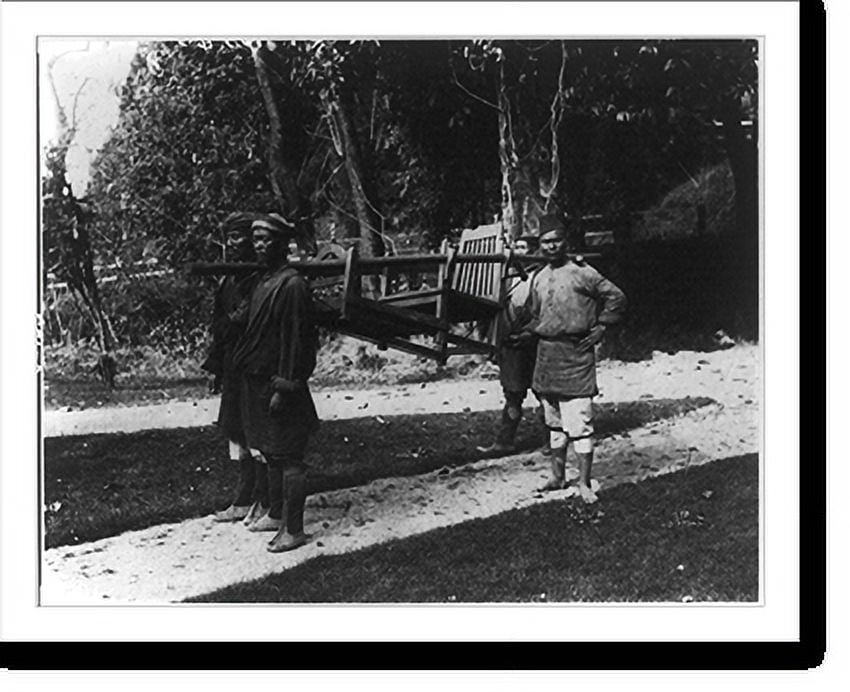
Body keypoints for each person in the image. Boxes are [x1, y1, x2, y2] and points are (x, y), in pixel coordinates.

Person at [514, 215, 626, 504]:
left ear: (565, 242)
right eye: (545, 242)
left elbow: (616, 297)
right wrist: (523, 333)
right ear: (540, 245)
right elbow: (536, 315)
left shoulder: (583, 272)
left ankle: (585, 483)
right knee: (553, 423)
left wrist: (602, 326)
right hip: (546, 356)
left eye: (556, 241)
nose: (551, 247)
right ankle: (557, 476)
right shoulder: (538, 277)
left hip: (575, 355)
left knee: (580, 424)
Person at [231, 213, 320, 552]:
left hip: (281, 385)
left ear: (282, 245)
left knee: (289, 457)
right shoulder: (263, 281)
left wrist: (285, 386)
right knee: (270, 452)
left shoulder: (292, 285)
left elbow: (297, 343)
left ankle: (293, 529)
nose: (259, 246)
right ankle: (276, 513)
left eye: (267, 240)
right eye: (256, 240)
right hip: (258, 382)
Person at [202, 212, 265, 524]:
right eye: (229, 238)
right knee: (235, 428)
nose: (233, 244)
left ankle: (265, 499)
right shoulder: (228, 280)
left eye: (239, 237)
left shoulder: (261, 279)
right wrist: (217, 368)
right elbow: (220, 324)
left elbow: (246, 320)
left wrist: (232, 323)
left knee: (257, 431)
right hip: (232, 364)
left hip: (254, 363)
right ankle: (243, 498)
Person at [477, 229, 546, 455]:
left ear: (534, 251)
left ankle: (552, 441)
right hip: (511, 343)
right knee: (513, 394)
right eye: (516, 247)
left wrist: (530, 332)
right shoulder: (506, 277)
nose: (519, 252)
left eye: (524, 248)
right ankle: (505, 441)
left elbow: (547, 312)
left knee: (544, 393)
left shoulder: (542, 276)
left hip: (536, 342)